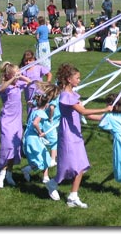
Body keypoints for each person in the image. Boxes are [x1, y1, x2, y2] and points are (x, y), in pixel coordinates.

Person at [45, 63, 112, 207]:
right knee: (69, 165)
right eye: (77, 78)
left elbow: (85, 113)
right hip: (68, 133)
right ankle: (53, 183)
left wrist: (107, 117)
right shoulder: (66, 96)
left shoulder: (73, 95)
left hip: (75, 132)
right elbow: (83, 111)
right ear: (69, 79)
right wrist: (105, 109)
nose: (79, 80)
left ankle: (73, 197)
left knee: (81, 164)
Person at [0, 62, 33, 188]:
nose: (19, 74)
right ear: (9, 75)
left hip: (17, 120)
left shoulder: (18, 85)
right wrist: (11, 79)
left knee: (15, 147)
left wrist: (20, 77)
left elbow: (31, 82)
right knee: (8, 146)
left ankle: (9, 174)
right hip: (6, 119)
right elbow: (1, 89)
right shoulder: (7, 87)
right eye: (16, 72)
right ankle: (2, 174)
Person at [21, 83, 61, 184]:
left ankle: (27, 170)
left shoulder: (34, 111)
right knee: (45, 156)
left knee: (38, 157)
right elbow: (35, 123)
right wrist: (41, 132)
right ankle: (45, 177)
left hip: (28, 138)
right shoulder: (41, 113)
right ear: (46, 104)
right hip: (34, 139)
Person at [20, 49, 52, 118]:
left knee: (40, 106)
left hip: (39, 91)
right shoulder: (23, 70)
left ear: (34, 60)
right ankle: (30, 122)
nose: (28, 62)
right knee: (31, 107)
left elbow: (49, 74)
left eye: (30, 60)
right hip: (29, 92)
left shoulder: (38, 67)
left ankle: (41, 122)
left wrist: (47, 83)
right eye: (26, 61)